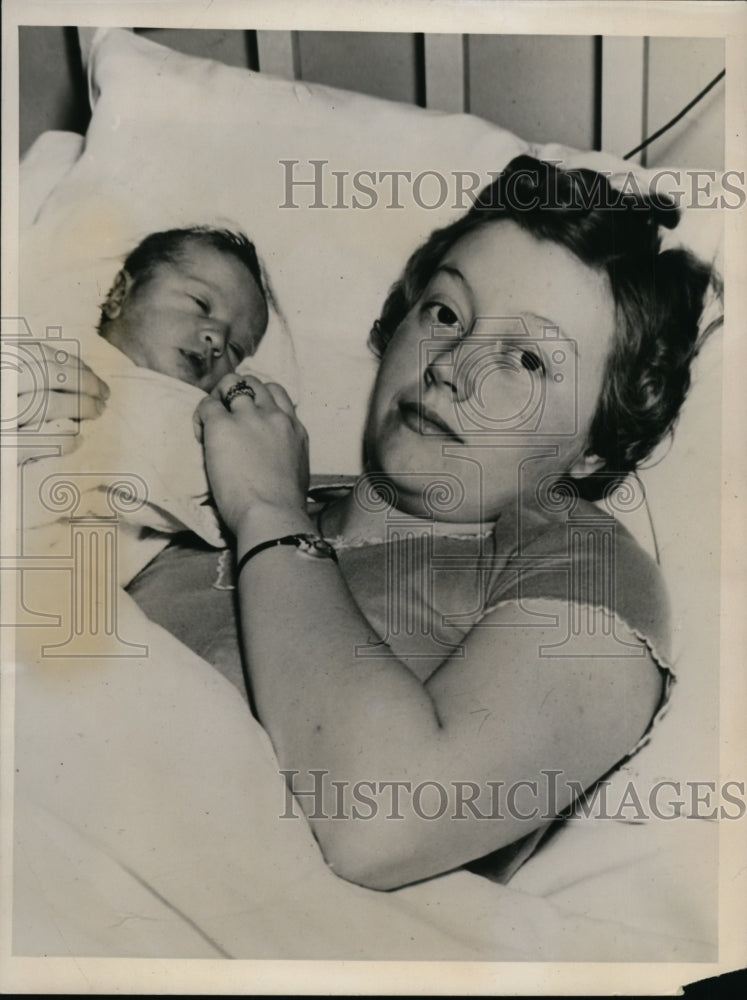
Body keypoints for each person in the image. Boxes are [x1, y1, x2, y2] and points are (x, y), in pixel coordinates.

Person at [42, 157, 717, 891]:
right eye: (445, 313)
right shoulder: (200, 476)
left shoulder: (582, 561)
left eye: (525, 358)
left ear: (594, 444)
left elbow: (382, 824)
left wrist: (269, 511)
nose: (452, 365)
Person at [97, 225, 269, 391]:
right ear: (119, 295)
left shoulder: (207, 413)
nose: (218, 339)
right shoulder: (76, 355)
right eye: (200, 304)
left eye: (235, 349)